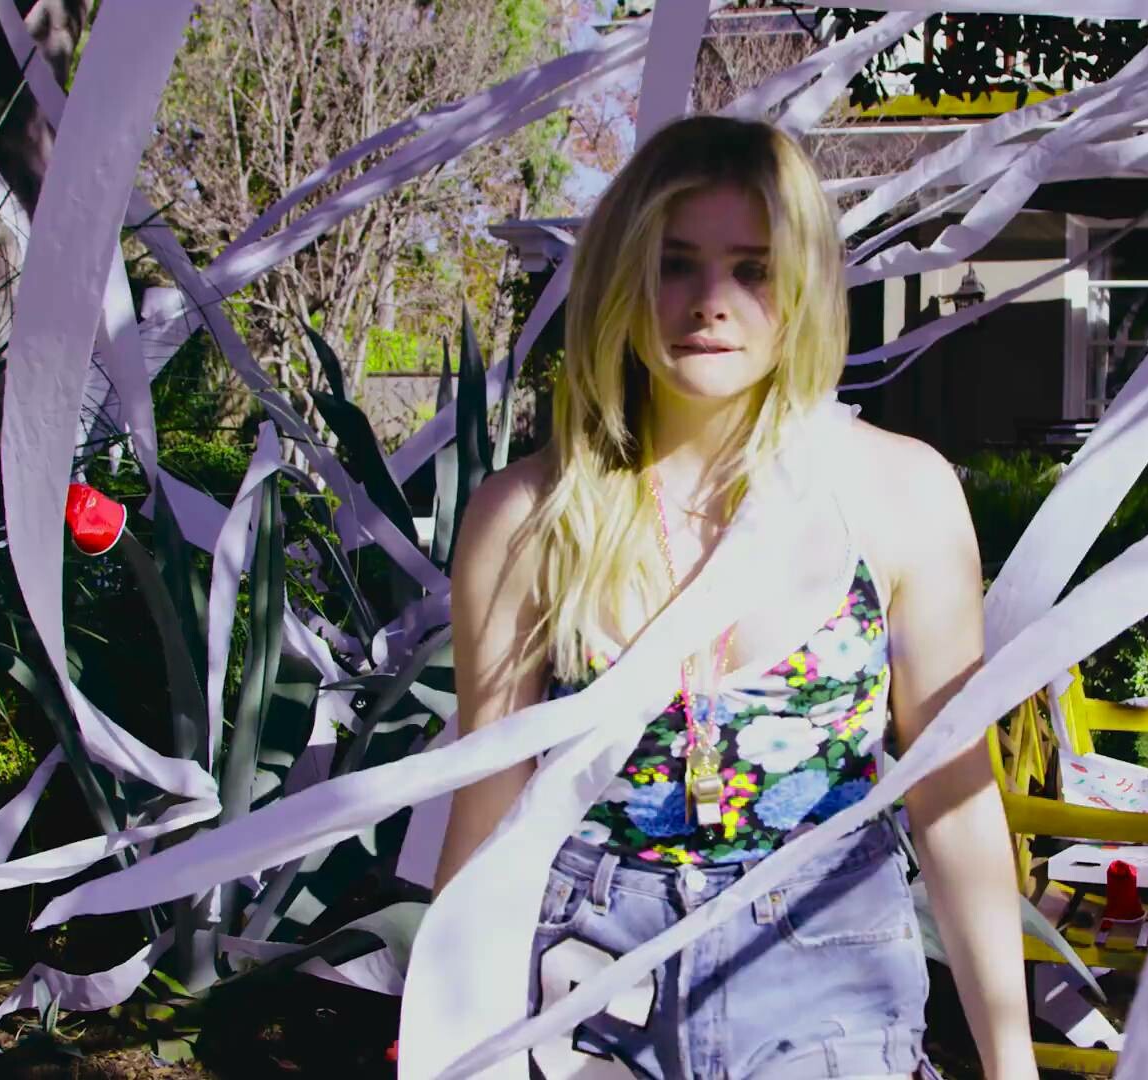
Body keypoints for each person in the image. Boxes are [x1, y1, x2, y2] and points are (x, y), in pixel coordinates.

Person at [438, 114, 1036, 1080]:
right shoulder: (530, 516)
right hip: (588, 968)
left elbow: (954, 797)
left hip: (825, 957)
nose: (711, 303)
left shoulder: (898, 493)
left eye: (753, 269)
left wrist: (1012, 1063)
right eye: (674, 264)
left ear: (802, 287)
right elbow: (489, 817)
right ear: (620, 279)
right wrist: (449, 1042)